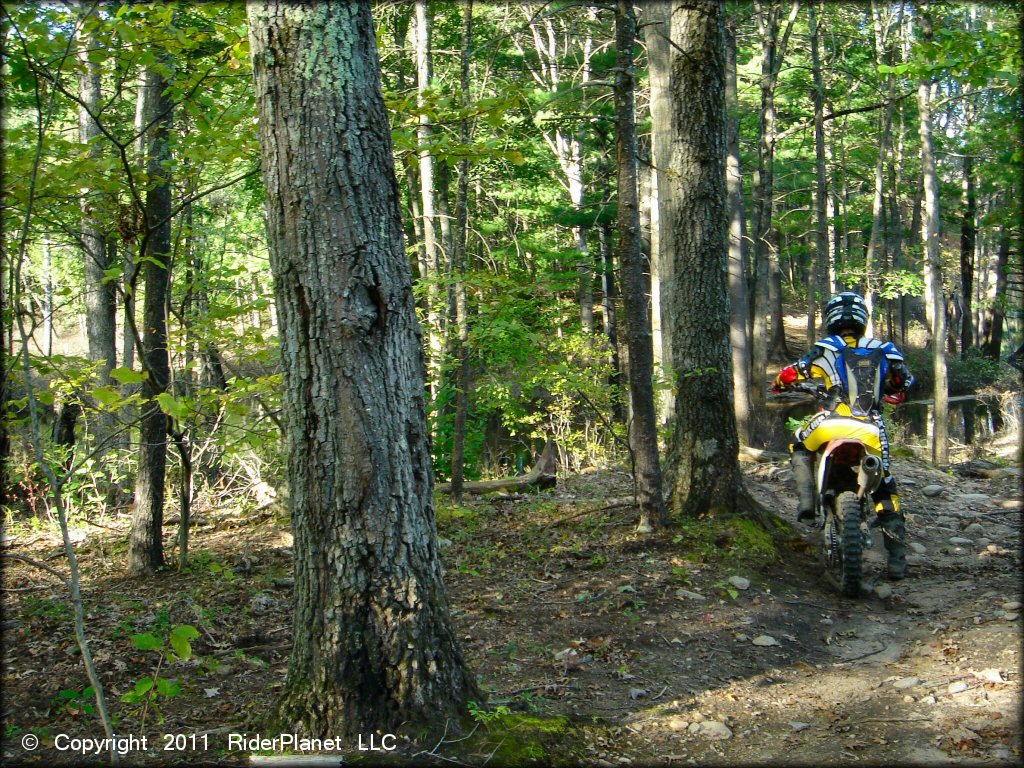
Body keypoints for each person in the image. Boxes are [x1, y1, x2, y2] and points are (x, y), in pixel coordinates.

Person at [772, 292, 914, 580]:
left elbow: (791, 374)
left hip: (830, 422)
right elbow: (903, 381)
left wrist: (780, 384)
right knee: (885, 485)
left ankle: (807, 504)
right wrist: (889, 391)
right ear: (863, 319)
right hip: (871, 429)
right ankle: (897, 559)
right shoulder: (885, 348)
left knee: (798, 441)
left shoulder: (825, 347)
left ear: (831, 319)